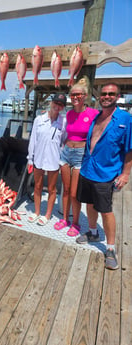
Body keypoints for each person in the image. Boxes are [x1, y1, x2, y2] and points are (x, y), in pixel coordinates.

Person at [76, 83, 132, 270]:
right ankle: (93, 232)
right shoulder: (96, 117)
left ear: (118, 96)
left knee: (106, 210)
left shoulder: (125, 119)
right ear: (99, 96)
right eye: (104, 94)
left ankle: (110, 248)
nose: (107, 96)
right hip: (87, 169)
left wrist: (125, 174)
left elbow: (129, 149)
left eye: (111, 94)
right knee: (89, 204)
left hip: (106, 173)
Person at [54, 80, 98, 236]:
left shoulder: (93, 114)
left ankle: (76, 223)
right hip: (66, 153)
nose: (75, 97)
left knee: (74, 193)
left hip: (81, 156)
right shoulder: (69, 114)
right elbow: (64, 133)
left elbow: (99, 134)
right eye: (72, 94)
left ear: (85, 96)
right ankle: (65, 219)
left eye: (78, 94)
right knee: (65, 190)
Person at [27, 93, 67, 225]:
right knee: (37, 186)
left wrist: (61, 158)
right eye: (56, 103)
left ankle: (47, 215)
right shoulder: (39, 119)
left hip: (54, 160)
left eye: (61, 104)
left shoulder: (63, 122)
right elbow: (33, 140)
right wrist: (30, 159)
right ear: (51, 103)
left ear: (63, 107)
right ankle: (37, 212)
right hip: (38, 159)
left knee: (52, 189)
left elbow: (63, 141)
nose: (57, 106)